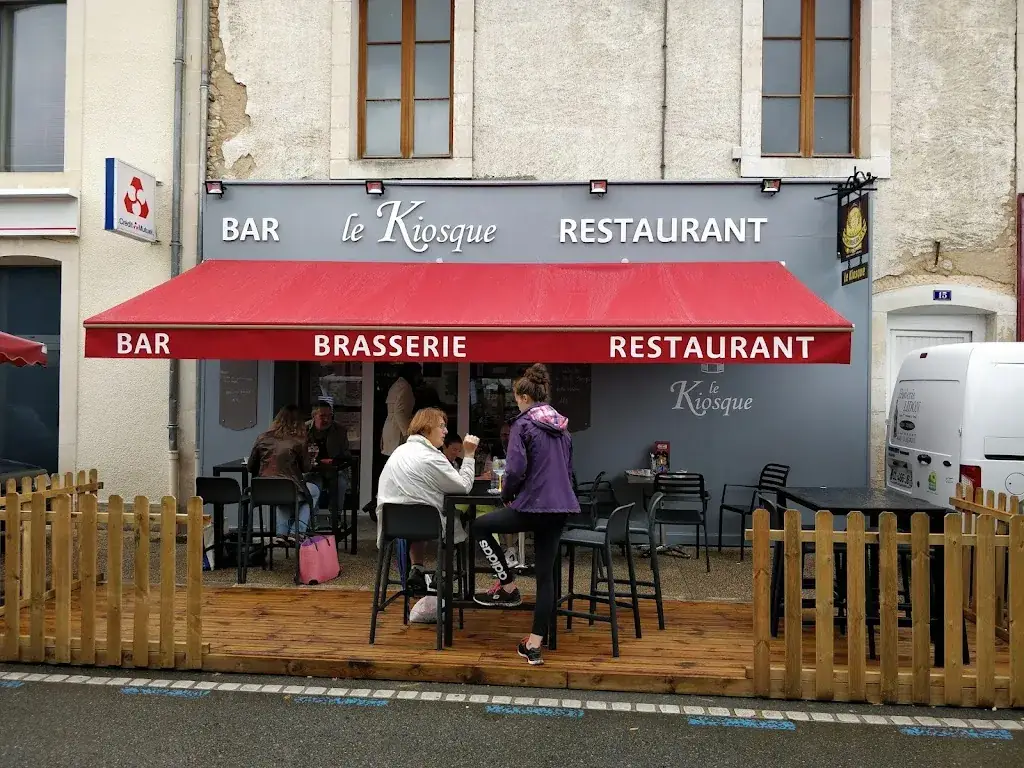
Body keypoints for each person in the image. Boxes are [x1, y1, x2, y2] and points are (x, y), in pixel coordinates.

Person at [469, 364, 580, 666]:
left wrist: (507, 494)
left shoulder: (523, 424)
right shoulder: (563, 427)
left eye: (516, 398)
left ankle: (507, 585)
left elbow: (515, 469)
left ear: (524, 397)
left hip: (532, 506)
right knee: (546, 577)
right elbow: (568, 469)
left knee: (479, 527)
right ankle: (534, 644)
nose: (516, 403)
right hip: (560, 508)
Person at [375, 407, 479, 594]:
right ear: (426, 428)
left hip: (393, 525)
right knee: (452, 518)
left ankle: (417, 569)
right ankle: (443, 573)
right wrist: (469, 455)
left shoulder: (399, 452)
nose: (446, 431)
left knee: (419, 514)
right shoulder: (432, 456)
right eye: (442, 426)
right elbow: (463, 487)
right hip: (427, 523)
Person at [247, 404, 321, 542]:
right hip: (288, 488)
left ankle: (281, 534)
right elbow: (306, 468)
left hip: (263, 490)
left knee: (284, 495)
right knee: (313, 491)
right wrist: (310, 460)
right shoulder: (299, 440)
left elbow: (251, 467)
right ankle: (296, 532)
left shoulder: (262, 438)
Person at [306, 399, 353, 513]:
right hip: (312, 471)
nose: (327, 419)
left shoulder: (340, 430)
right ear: (313, 416)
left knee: (340, 484)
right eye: (322, 416)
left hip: (334, 471)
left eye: (329, 416)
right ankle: (312, 518)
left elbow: (346, 454)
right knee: (313, 486)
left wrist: (335, 460)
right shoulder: (303, 429)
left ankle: (336, 517)